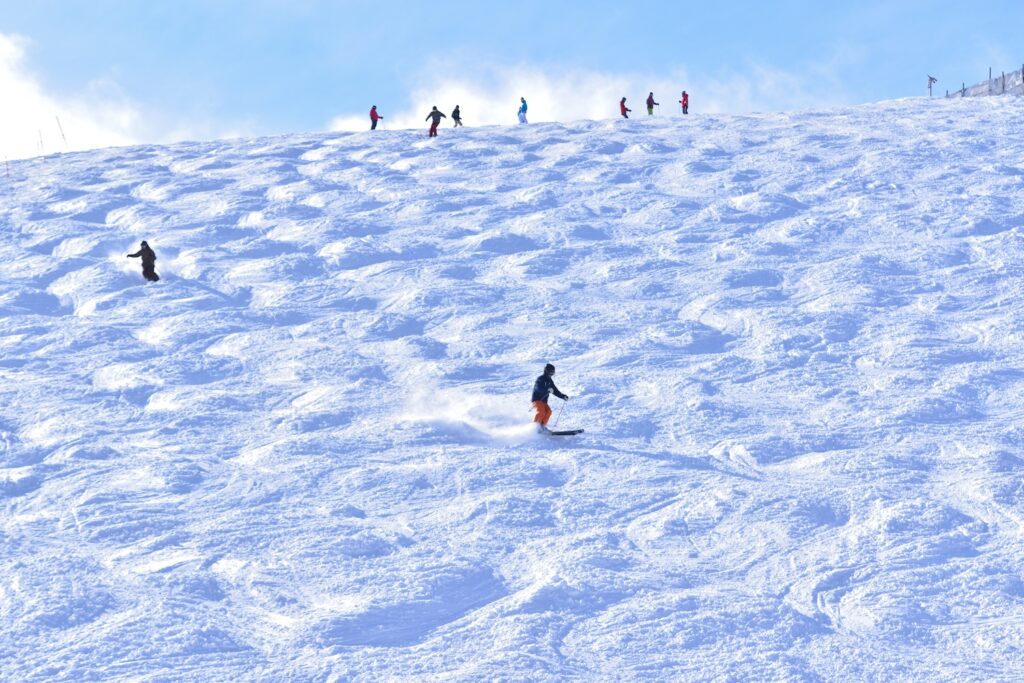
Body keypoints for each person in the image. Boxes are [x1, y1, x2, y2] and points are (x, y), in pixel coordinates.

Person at [532, 363, 568, 432]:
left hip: (544, 401)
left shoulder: (550, 381)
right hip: (537, 399)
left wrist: (563, 396)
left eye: (553, 372)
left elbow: (555, 391)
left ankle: (542, 427)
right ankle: (535, 428)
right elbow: (538, 388)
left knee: (548, 412)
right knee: (541, 412)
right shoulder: (540, 379)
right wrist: (547, 389)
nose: (552, 374)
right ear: (547, 371)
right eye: (551, 372)